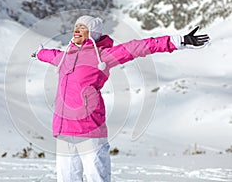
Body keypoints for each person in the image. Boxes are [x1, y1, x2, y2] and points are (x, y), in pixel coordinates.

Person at [35, 15, 209, 182]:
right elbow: (49, 54)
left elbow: (137, 47)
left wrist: (176, 40)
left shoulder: (102, 56)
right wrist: (39, 52)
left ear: (93, 34)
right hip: (64, 129)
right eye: (76, 27)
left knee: (97, 177)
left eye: (83, 27)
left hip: (90, 129)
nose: (77, 30)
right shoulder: (65, 57)